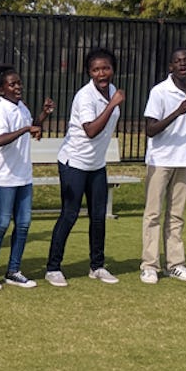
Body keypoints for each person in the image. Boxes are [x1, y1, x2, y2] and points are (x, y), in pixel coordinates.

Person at [45, 48, 124, 288]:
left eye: (106, 68)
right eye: (96, 69)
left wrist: (112, 101)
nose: (102, 73)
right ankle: (53, 268)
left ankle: (97, 266)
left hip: (96, 164)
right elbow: (90, 131)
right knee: (70, 215)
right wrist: (112, 105)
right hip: (74, 163)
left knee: (98, 217)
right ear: (89, 72)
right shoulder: (85, 96)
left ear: (113, 69)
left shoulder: (112, 91)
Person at [140, 49, 186, 284]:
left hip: (183, 159)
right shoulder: (159, 91)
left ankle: (175, 264)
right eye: (177, 61)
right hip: (160, 160)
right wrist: (177, 112)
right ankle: (149, 266)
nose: (182, 64)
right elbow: (150, 129)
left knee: (176, 215)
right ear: (170, 67)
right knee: (153, 214)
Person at [0, 65, 54, 290]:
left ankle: (13, 270)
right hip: (5, 177)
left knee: (23, 224)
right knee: (2, 223)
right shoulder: (1, 110)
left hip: (24, 176)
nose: (18, 87)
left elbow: (32, 128)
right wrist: (25, 129)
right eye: (12, 84)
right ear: (1, 90)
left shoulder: (21, 107)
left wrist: (43, 115)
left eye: (19, 83)